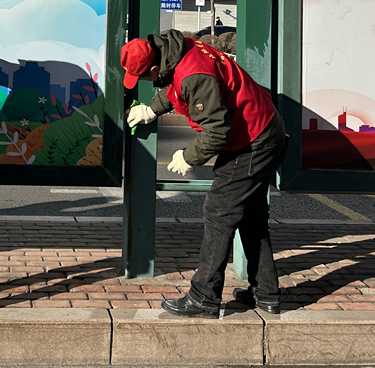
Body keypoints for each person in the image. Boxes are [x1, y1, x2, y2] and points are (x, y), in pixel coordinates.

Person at [122, 30, 287, 318]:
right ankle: (266, 293)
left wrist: (188, 157)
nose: (143, 82)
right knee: (250, 215)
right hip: (261, 130)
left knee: (218, 212)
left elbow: (216, 131)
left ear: (154, 68)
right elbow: (176, 87)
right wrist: (153, 109)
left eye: (143, 77)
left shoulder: (194, 75)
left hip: (253, 141)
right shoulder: (180, 49)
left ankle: (203, 298)